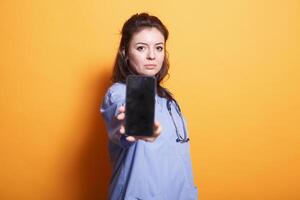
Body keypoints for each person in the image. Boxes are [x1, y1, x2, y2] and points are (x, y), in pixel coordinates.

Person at [100, 12, 198, 200]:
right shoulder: (119, 92)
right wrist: (136, 126)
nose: (152, 55)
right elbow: (127, 120)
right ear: (125, 53)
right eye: (141, 48)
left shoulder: (168, 99)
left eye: (159, 48)